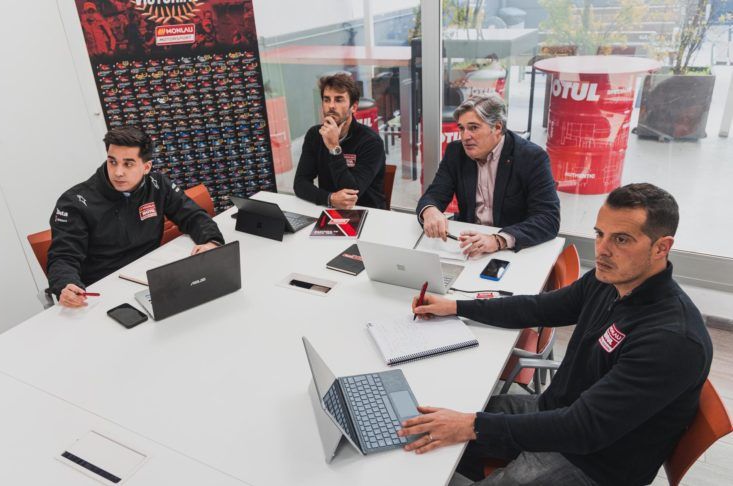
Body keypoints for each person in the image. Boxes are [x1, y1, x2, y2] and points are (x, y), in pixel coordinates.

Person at [403, 183, 712, 486]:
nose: (603, 250)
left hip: (595, 462)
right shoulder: (609, 280)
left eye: (621, 239)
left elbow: (583, 428)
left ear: (661, 247)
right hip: (557, 412)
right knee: (423, 423)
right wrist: (456, 306)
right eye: (600, 234)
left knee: (460, 429)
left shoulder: (672, 339)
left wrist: (472, 426)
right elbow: (538, 308)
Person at [47, 127, 224, 308]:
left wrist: (212, 242)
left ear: (146, 167)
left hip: (153, 280)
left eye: (128, 164)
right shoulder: (74, 202)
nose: (118, 172)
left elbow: (193, 215)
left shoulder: (157, 184)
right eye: (112, 162)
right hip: (104, 291)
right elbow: (63, 257)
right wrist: (66, 284)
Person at [416, 94, 560, 257]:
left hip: (513, 249)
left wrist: (498, 240)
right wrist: (430, 210)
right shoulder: (456, 152)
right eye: (462, 128)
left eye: (473, 128)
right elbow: (434, 194)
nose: (465, 137)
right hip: (468, 244)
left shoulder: (531, 157)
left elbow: (548, 219)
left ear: (497, 127)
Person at [293, 73, 386, 209]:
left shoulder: (371, 142)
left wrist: (334, 148)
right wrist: (329, 198)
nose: (331, 106)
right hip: (329, 210)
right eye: (326, 100)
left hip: (367, 213)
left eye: (338, 100)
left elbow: (351, 194)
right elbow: (300, 183)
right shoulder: (315, 135)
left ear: (353, 107)